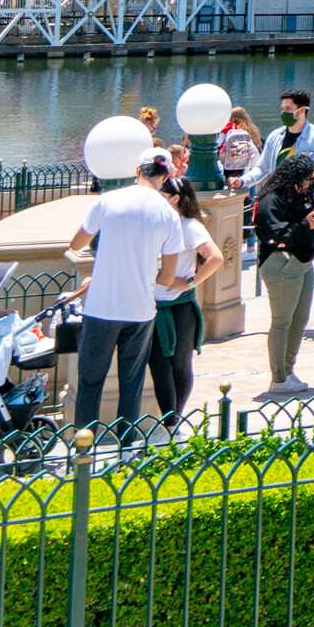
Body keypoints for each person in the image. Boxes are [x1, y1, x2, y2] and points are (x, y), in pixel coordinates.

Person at [66, 149, 200, 433]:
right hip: (140, 311)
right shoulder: (169, 215)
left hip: (102, 307)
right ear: (165, 177)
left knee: (90, 382)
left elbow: (76, 244)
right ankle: (126, 449)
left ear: (137, 171)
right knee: (132, 383)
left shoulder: (109, 200)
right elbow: (166, 278)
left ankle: (82, 452)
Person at [141, 169, 224, 428]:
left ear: (175, 199)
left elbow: (216, 257)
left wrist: (189, 282)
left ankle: (173, 421)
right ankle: (169, 420)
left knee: (179, 365)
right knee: (158, 366)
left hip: (179, 307)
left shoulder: (189, 226)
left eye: (161, 194)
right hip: (151, 307)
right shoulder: (153, 225)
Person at [252, 151, 314, 393]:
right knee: (282, 321)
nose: (308, 185)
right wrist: (307, 224)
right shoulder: (271, 200)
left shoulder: (301, 197)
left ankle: (288, 369)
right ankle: (278, 378)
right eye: (306, 179)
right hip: (282, 264)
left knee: (299, 321)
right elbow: (275, 235)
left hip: (303, 262)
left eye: (311, 180)